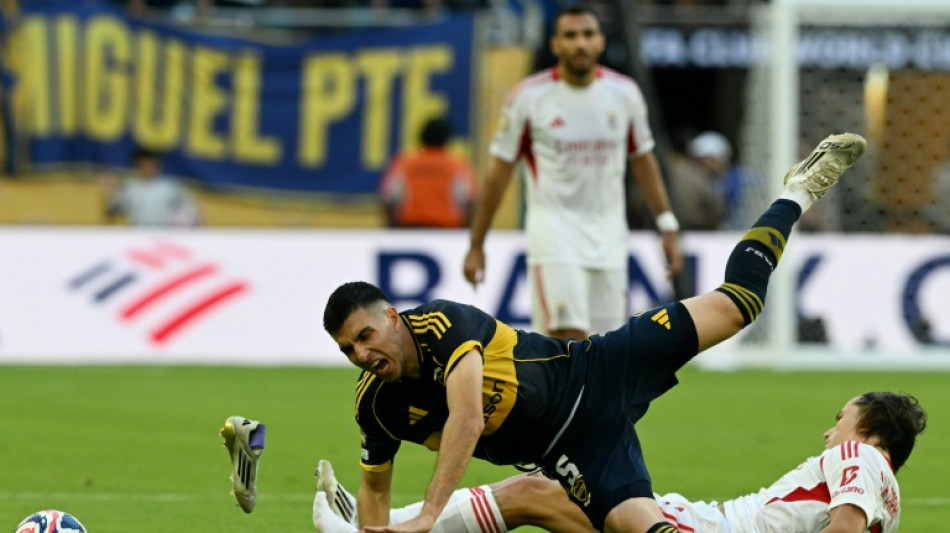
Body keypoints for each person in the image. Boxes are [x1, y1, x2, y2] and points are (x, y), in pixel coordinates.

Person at [321, 133, 867, 533]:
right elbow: (375, 489)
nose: (361, 353)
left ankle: (797, 191)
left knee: (737, 307)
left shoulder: (442, 324)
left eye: (365, 335)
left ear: (393, 315)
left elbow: (467, 417)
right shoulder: (376, 407)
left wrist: (427, 516)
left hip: (597, 369)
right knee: (641, 528)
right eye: (348, 349)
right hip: (573, 448)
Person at [312, 391, 927, 533]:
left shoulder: (859, 458)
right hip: (699, 521)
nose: (830, 431)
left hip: (705, 530)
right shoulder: (889, 502)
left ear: (870, 433)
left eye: (841, 419)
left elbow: (843, 528)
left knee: (536, 491)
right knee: (539, 494)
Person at [462, 5, 683, 340]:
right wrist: (477, 244)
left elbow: (644, 161)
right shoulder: (529, 97)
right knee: (568, 338)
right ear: (555, 45)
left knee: (607, 346)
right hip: (554, 237)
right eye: (570, 35)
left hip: (610, 238)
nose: (580, 43)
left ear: (601, 41)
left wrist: (666, 224)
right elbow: (498, 175)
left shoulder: (625, 94)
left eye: (588, 34)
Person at [379, 117, 478, 228]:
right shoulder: (457, 164)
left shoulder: (404, 162)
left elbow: (389, 199)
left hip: (410, 228)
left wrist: (392, 228)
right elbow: (468, 201)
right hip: (447, 229)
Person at [102, 147, 201, 227]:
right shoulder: (129, 188)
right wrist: (108, 192)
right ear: (137, 166)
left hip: (164, 234)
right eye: (144, 165)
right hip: (136, 234)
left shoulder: (170, 187)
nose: (148, 168)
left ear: (158, 166)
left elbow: (190, 211)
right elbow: (111, 210)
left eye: (152, 164)